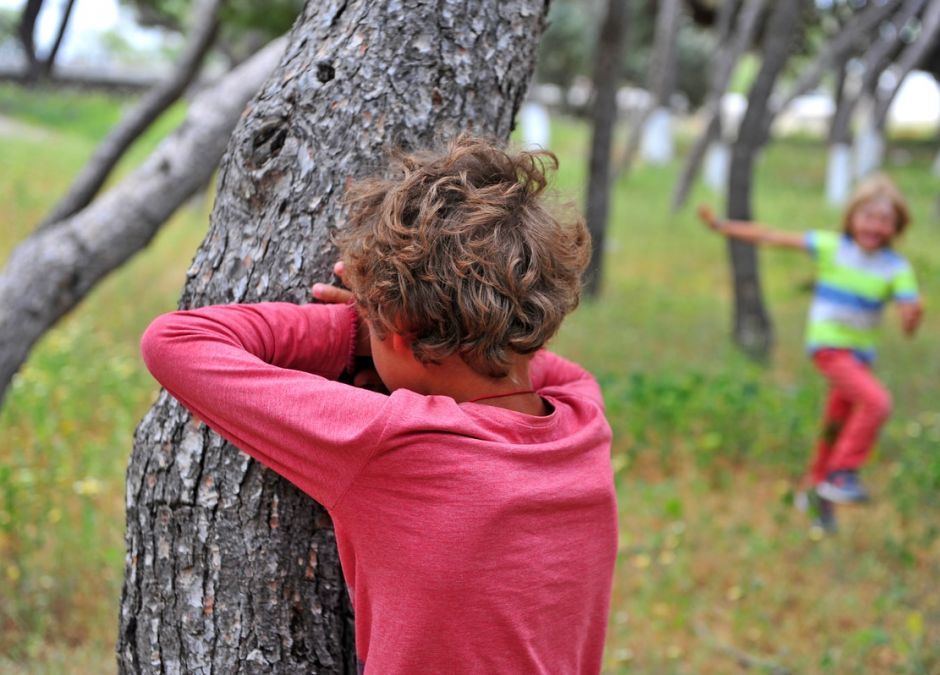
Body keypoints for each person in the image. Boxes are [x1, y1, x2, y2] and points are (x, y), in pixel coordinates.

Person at [141, 136, 618, 674]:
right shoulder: (584, 420)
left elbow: (174, 343)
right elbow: (556, 368)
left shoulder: (396, 442)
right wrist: (428, 326)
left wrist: (352, 330)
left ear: (398, 331)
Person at [698, 175, 923, 532]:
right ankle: (841, 474)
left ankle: (815, 496)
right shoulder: (832, 247)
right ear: (852, 217)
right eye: (868, 216)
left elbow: (910, 317)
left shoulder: (896, 267)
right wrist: (721, 226)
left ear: (897, 226)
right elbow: (770, 236)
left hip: (860, 357)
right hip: (830, 349)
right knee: (878, 403)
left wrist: (912, 317)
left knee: (835, 426)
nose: (875, 226)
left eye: (885, 220)